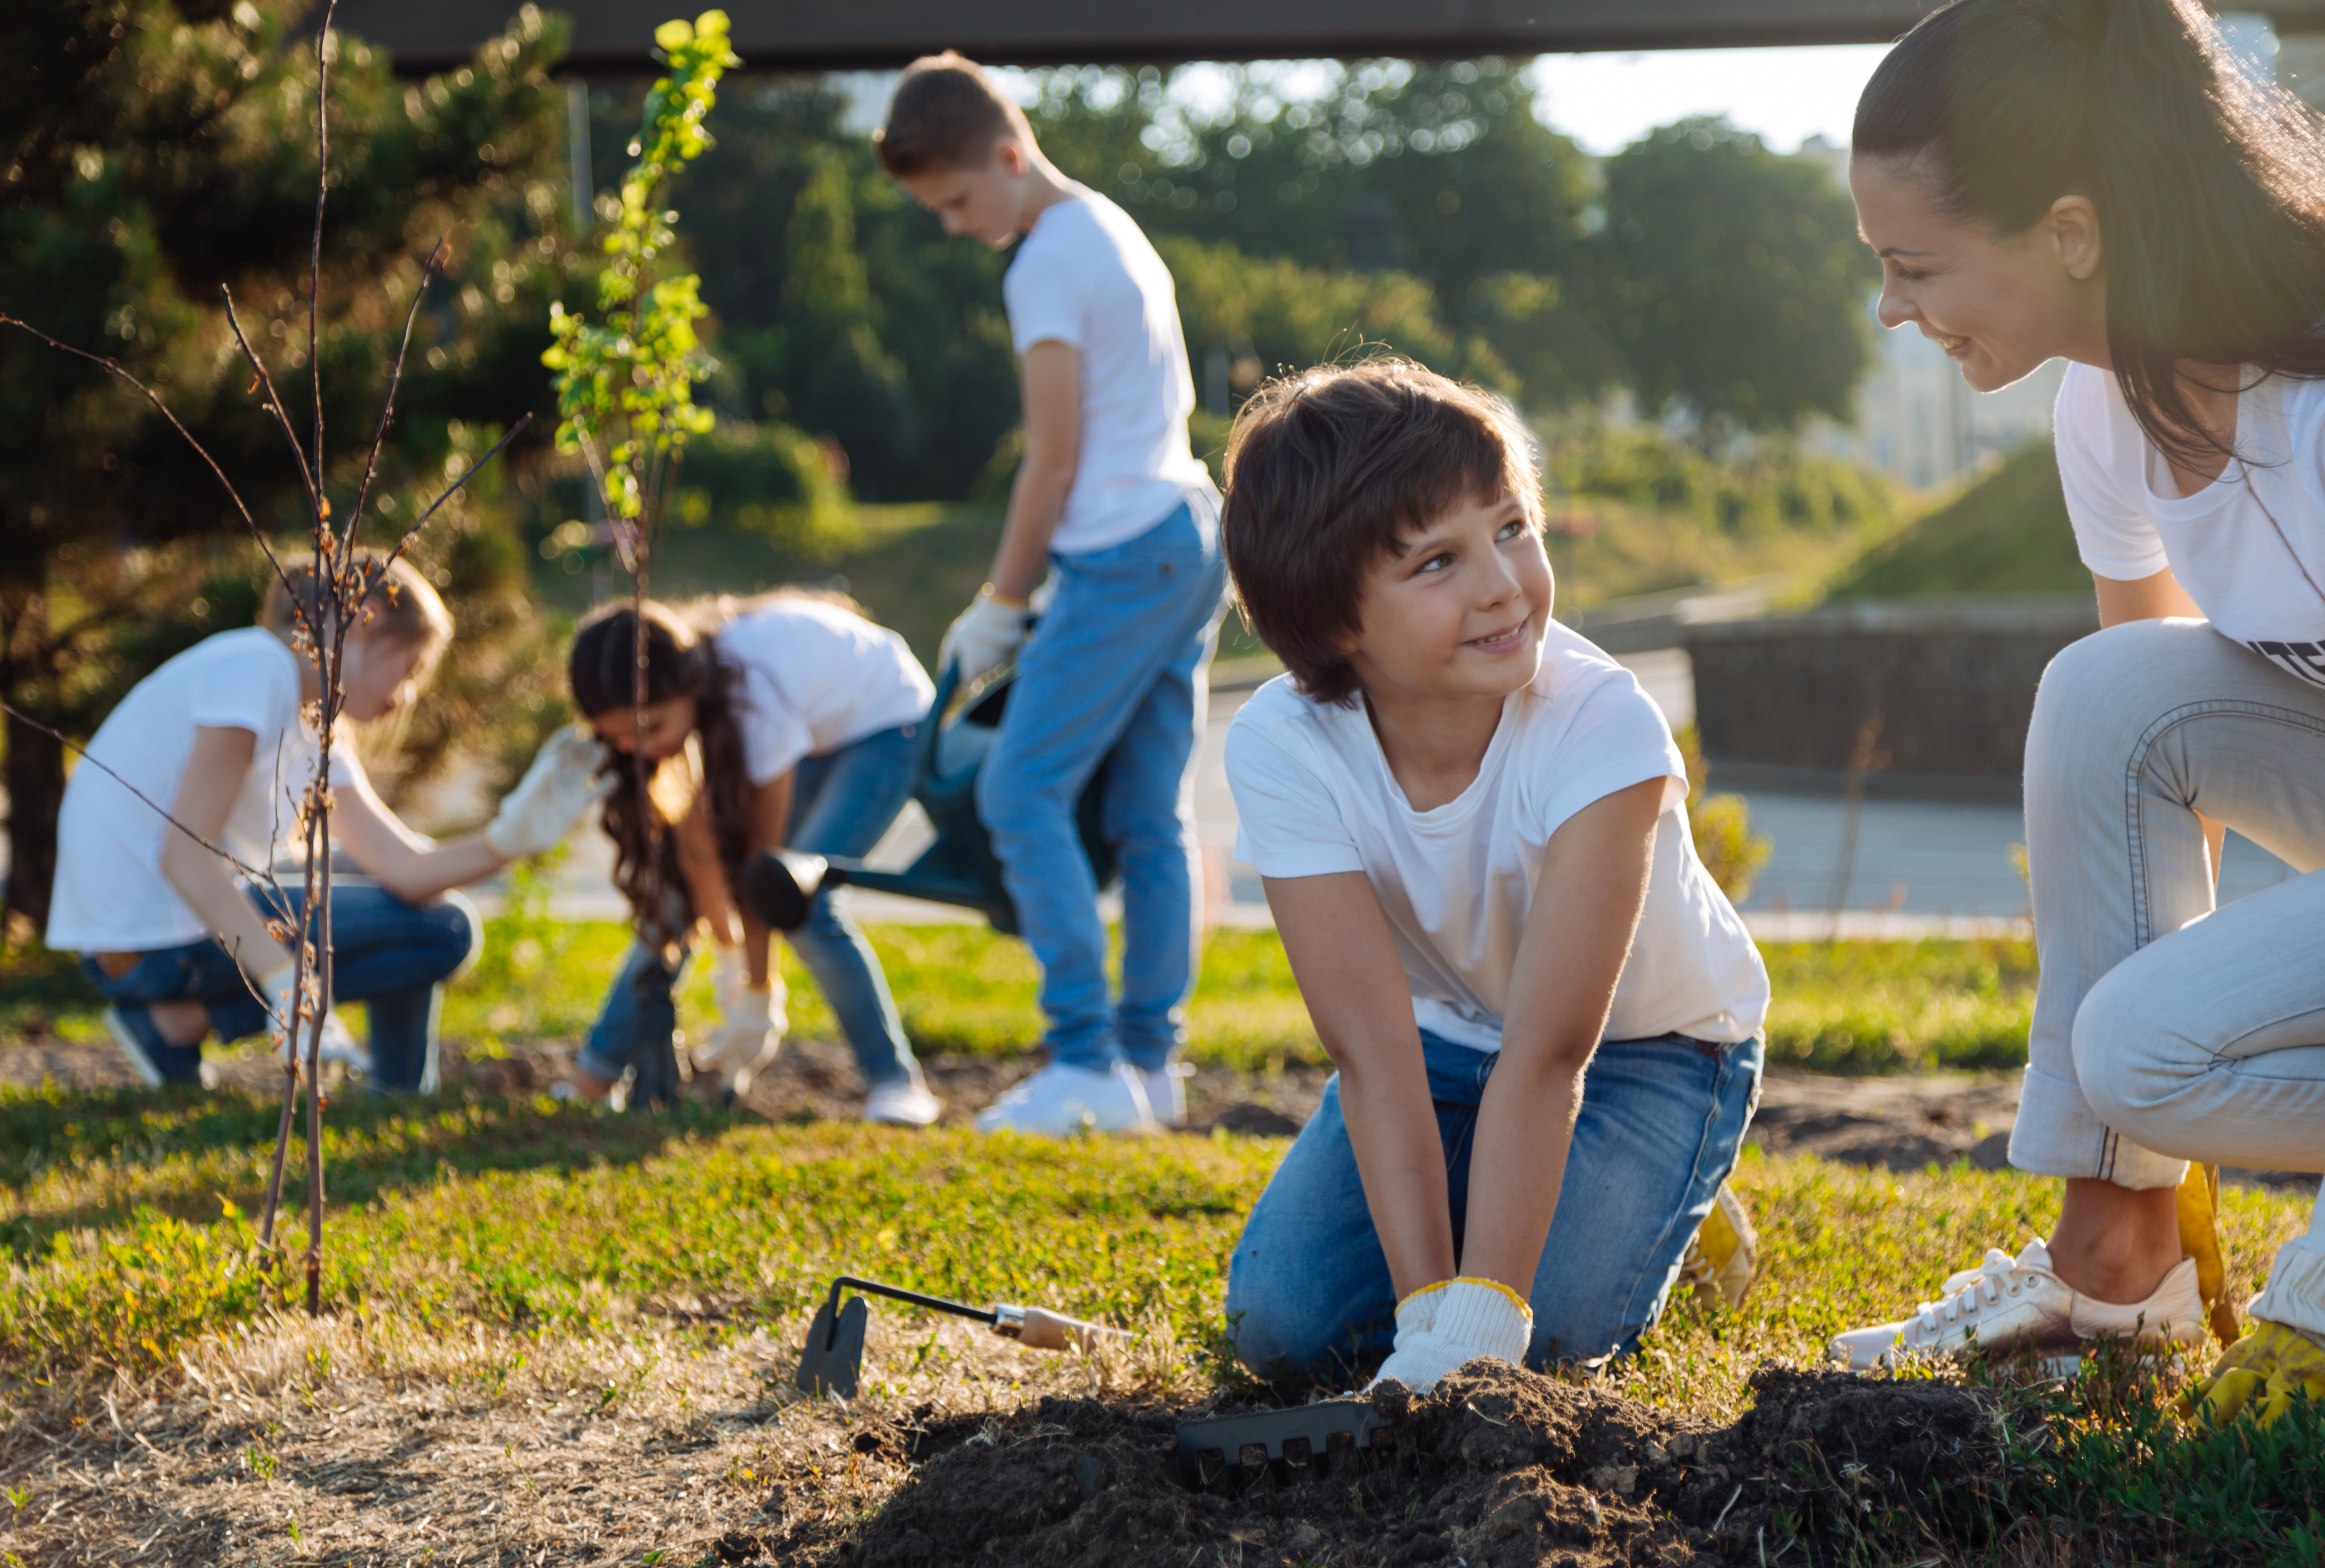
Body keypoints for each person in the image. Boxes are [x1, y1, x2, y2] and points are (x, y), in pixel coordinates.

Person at [1825, 0, 2325, 1423]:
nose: (1894, 306)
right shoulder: (2106, 411)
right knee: (2103, 689)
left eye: (1915, 265)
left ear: (2073, 230)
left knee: (2145, 1046)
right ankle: (2117, 1259)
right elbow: (2143, 769)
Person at [1214, 360, 1769, 1390]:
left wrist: (1474, 1327)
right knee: (1280, 1329)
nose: (1501, 584)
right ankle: (1508, 1203)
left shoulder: (1601, 725)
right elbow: (1373, 1050)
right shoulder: (1284, 743)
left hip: (1651, 1050)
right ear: (1335, 620)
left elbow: (1553, 1051)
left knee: (1541, 1338)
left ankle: (1676, 1197)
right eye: (1436, 563)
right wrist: (1429, 1309)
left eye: (1510, 527)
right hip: (1444, 1044)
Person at [878, 53, 1228, 1136]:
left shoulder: (1043, 264)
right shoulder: (1113, 228)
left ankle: (1083, 1064)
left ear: (1007, 152)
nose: (951, 225)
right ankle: (1146, 1062)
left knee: (1019, 792)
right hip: (1188, 532)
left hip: (1121, 553)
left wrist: (999, 601)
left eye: (956, 200)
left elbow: (1051, 460)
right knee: (1147, 812)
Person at [48, 553, 610, 1094]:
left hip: (168, 936)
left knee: (431, 914)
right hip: (144, 944)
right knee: (444, 930)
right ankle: (185, 1025)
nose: (409, 693)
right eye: (411, 666)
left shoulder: (315, 722)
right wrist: (283, 983)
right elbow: (183, 856)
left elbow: (406, 870)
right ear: (363, 620)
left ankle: (384, 1087)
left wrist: (513, 835)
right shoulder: (257, 668)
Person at [563, 593, 941, 1123]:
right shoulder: (695, 712)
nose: (637, 748)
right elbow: (700, 858)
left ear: (686, 691)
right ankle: (594, 1076)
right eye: (619, 737)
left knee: (804, 905)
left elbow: (763, 870)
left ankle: (895, 1082)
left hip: (889, 722)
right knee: (672, 899)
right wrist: (729, 959)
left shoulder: (750, 699)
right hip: (815, 728)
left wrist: (758, 995)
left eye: (649, 727)